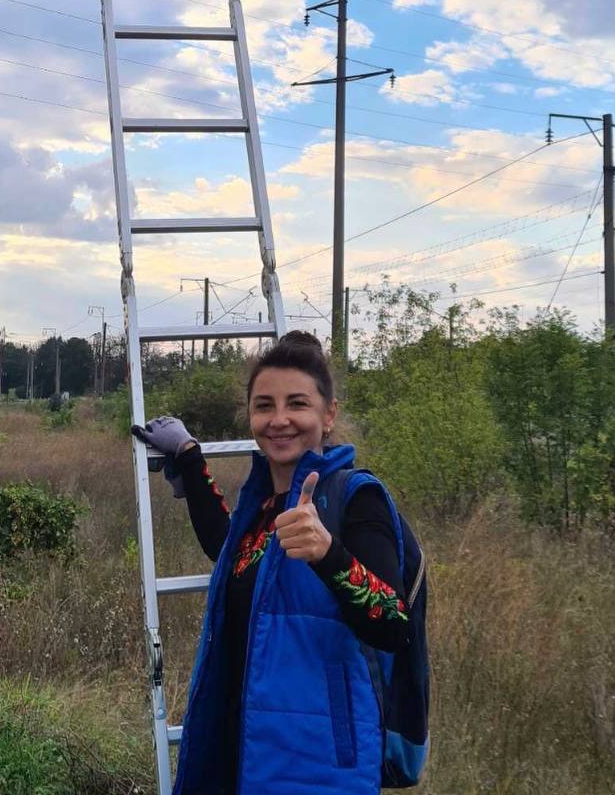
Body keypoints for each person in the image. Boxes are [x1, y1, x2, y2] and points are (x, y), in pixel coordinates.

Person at [133, 331, 410, 795]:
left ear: (328, 414)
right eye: (264, 406)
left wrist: (329, 555)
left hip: (319, 765)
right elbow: (231, 556)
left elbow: (395, 624)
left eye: (296, 404)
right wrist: (190, 459)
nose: (279, 419)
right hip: (244, 752)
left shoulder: (355, 499)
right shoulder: (263, 506)